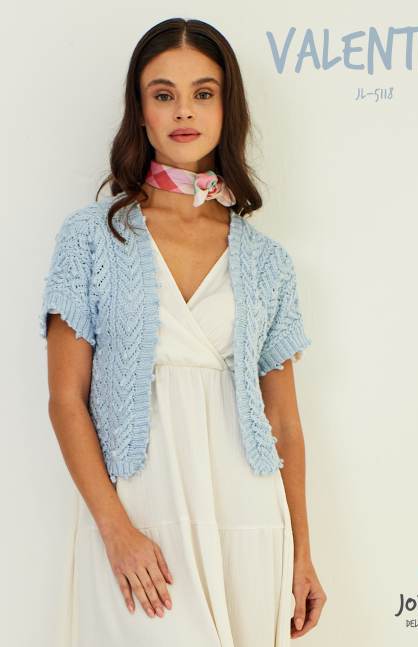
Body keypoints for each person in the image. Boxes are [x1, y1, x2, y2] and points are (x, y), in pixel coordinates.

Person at [40, 17, 327, 646]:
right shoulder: (91, 239)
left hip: (248, 522)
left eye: (203, 92)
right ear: (140, 110)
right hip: (139, 522)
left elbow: (284, 422)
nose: (184, 111)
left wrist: (302, 552)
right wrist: (116, 530)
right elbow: (65, 400)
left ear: (227, 107)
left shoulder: (268, 263)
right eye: (163, 93)